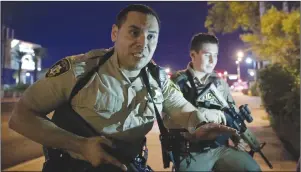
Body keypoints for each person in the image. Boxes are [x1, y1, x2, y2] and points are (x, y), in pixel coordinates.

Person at [8, 5, 238, 172]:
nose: (143, 42)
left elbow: (183, 110)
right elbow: (20, 116)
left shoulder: (157, 79)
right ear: (115, 34)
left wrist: (199, 125)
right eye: (134, 32)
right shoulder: (80, 71)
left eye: (151, 36)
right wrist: (80, 145)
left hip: (129, 165)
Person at [165, 33, 262, 171]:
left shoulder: (220, 83)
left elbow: (231, 114)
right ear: (193, 55)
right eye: (207, 55)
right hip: (191, 152)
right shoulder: (178, 82)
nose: (212, 60)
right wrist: (206, 115)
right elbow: (167, 119)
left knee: (252, 169)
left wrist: (237, 138)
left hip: (220, 148)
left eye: (215, 55)